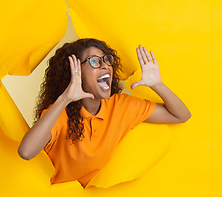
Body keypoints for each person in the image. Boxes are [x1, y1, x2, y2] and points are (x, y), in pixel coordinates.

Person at [18, 38, 191, 187]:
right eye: (94, 61)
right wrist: (65, 98)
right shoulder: (59, 114)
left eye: (107, 60)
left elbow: (181, 115)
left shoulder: (121, 106)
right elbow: (26, 152)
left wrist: (156, 84)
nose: (105, 66)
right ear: (76, 72)